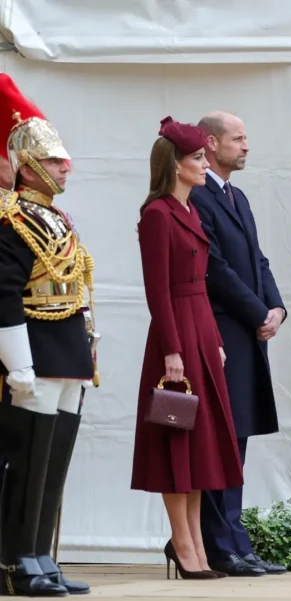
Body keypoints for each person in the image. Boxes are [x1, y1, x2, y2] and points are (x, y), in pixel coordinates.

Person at [132, 117, 244, 580]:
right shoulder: (158, 214)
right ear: (175, 165)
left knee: (199, 445)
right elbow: (158, 291)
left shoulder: (191, 211)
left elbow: (204, 286)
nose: (204, 163)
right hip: (176, 334)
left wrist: (214, 340)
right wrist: (173, 350)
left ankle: (196, 543)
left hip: (201, 329)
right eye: (197, 158)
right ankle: (183, 542)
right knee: (177, 441)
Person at [0, 74, 96, 596]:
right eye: (57, 160)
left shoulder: (56, 218)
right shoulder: (9, 219)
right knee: (28, 462)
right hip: (33, 348)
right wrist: (17, 364)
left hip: (68, 351)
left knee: (54, 460)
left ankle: (41, 553)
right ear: (30, 167)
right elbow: (4, 295)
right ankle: (18, 560)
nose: (67, 166)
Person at [189, 112, 287, 576]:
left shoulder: (237, 195)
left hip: (248, 329)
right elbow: (216, 269)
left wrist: (276, 307)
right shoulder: (198, 195)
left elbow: (256, 258)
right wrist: (255, 312)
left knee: (238, 434)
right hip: (223, 328)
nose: (246, 146)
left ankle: (234, 540)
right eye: (238, 138)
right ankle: (217, 543)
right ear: (210, 143)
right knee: (219, 436)